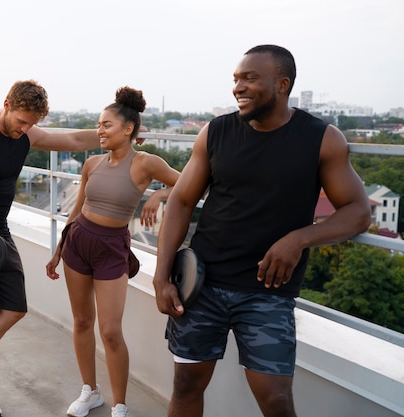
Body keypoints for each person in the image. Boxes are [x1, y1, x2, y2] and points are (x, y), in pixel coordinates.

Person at [152, 44, 371, 417]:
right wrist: (161, 276)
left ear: (282, 84)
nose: (238, 87)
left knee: (276, 400)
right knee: (186, 385)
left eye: (250, 78)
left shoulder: (322, 138)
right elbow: (181, 202)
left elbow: (358, 211)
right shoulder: (216, 132)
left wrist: (300, 238)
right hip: (202, 283)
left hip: (268, 293)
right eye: (236, 79)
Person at [0, 80, 137, 417]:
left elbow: (70, 139)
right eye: (21, 121)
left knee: (15, 307)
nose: (25, 129)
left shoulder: (26, 133)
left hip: (0, 230)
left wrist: (118, 135)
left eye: (32, 124)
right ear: (7, 103)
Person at [46, 86, 180, 417]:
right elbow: (76, 210)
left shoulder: (147, 163)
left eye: (106, 125)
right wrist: (58, 250)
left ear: (129, 128)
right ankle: (89, 391)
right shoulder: (91, 163)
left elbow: (189, 181)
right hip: (78, 243)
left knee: (110, 330)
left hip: (112, 249)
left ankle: (120, 405)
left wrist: (159, 195)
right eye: (98, 125)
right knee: (81, 321)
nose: (100, 131)